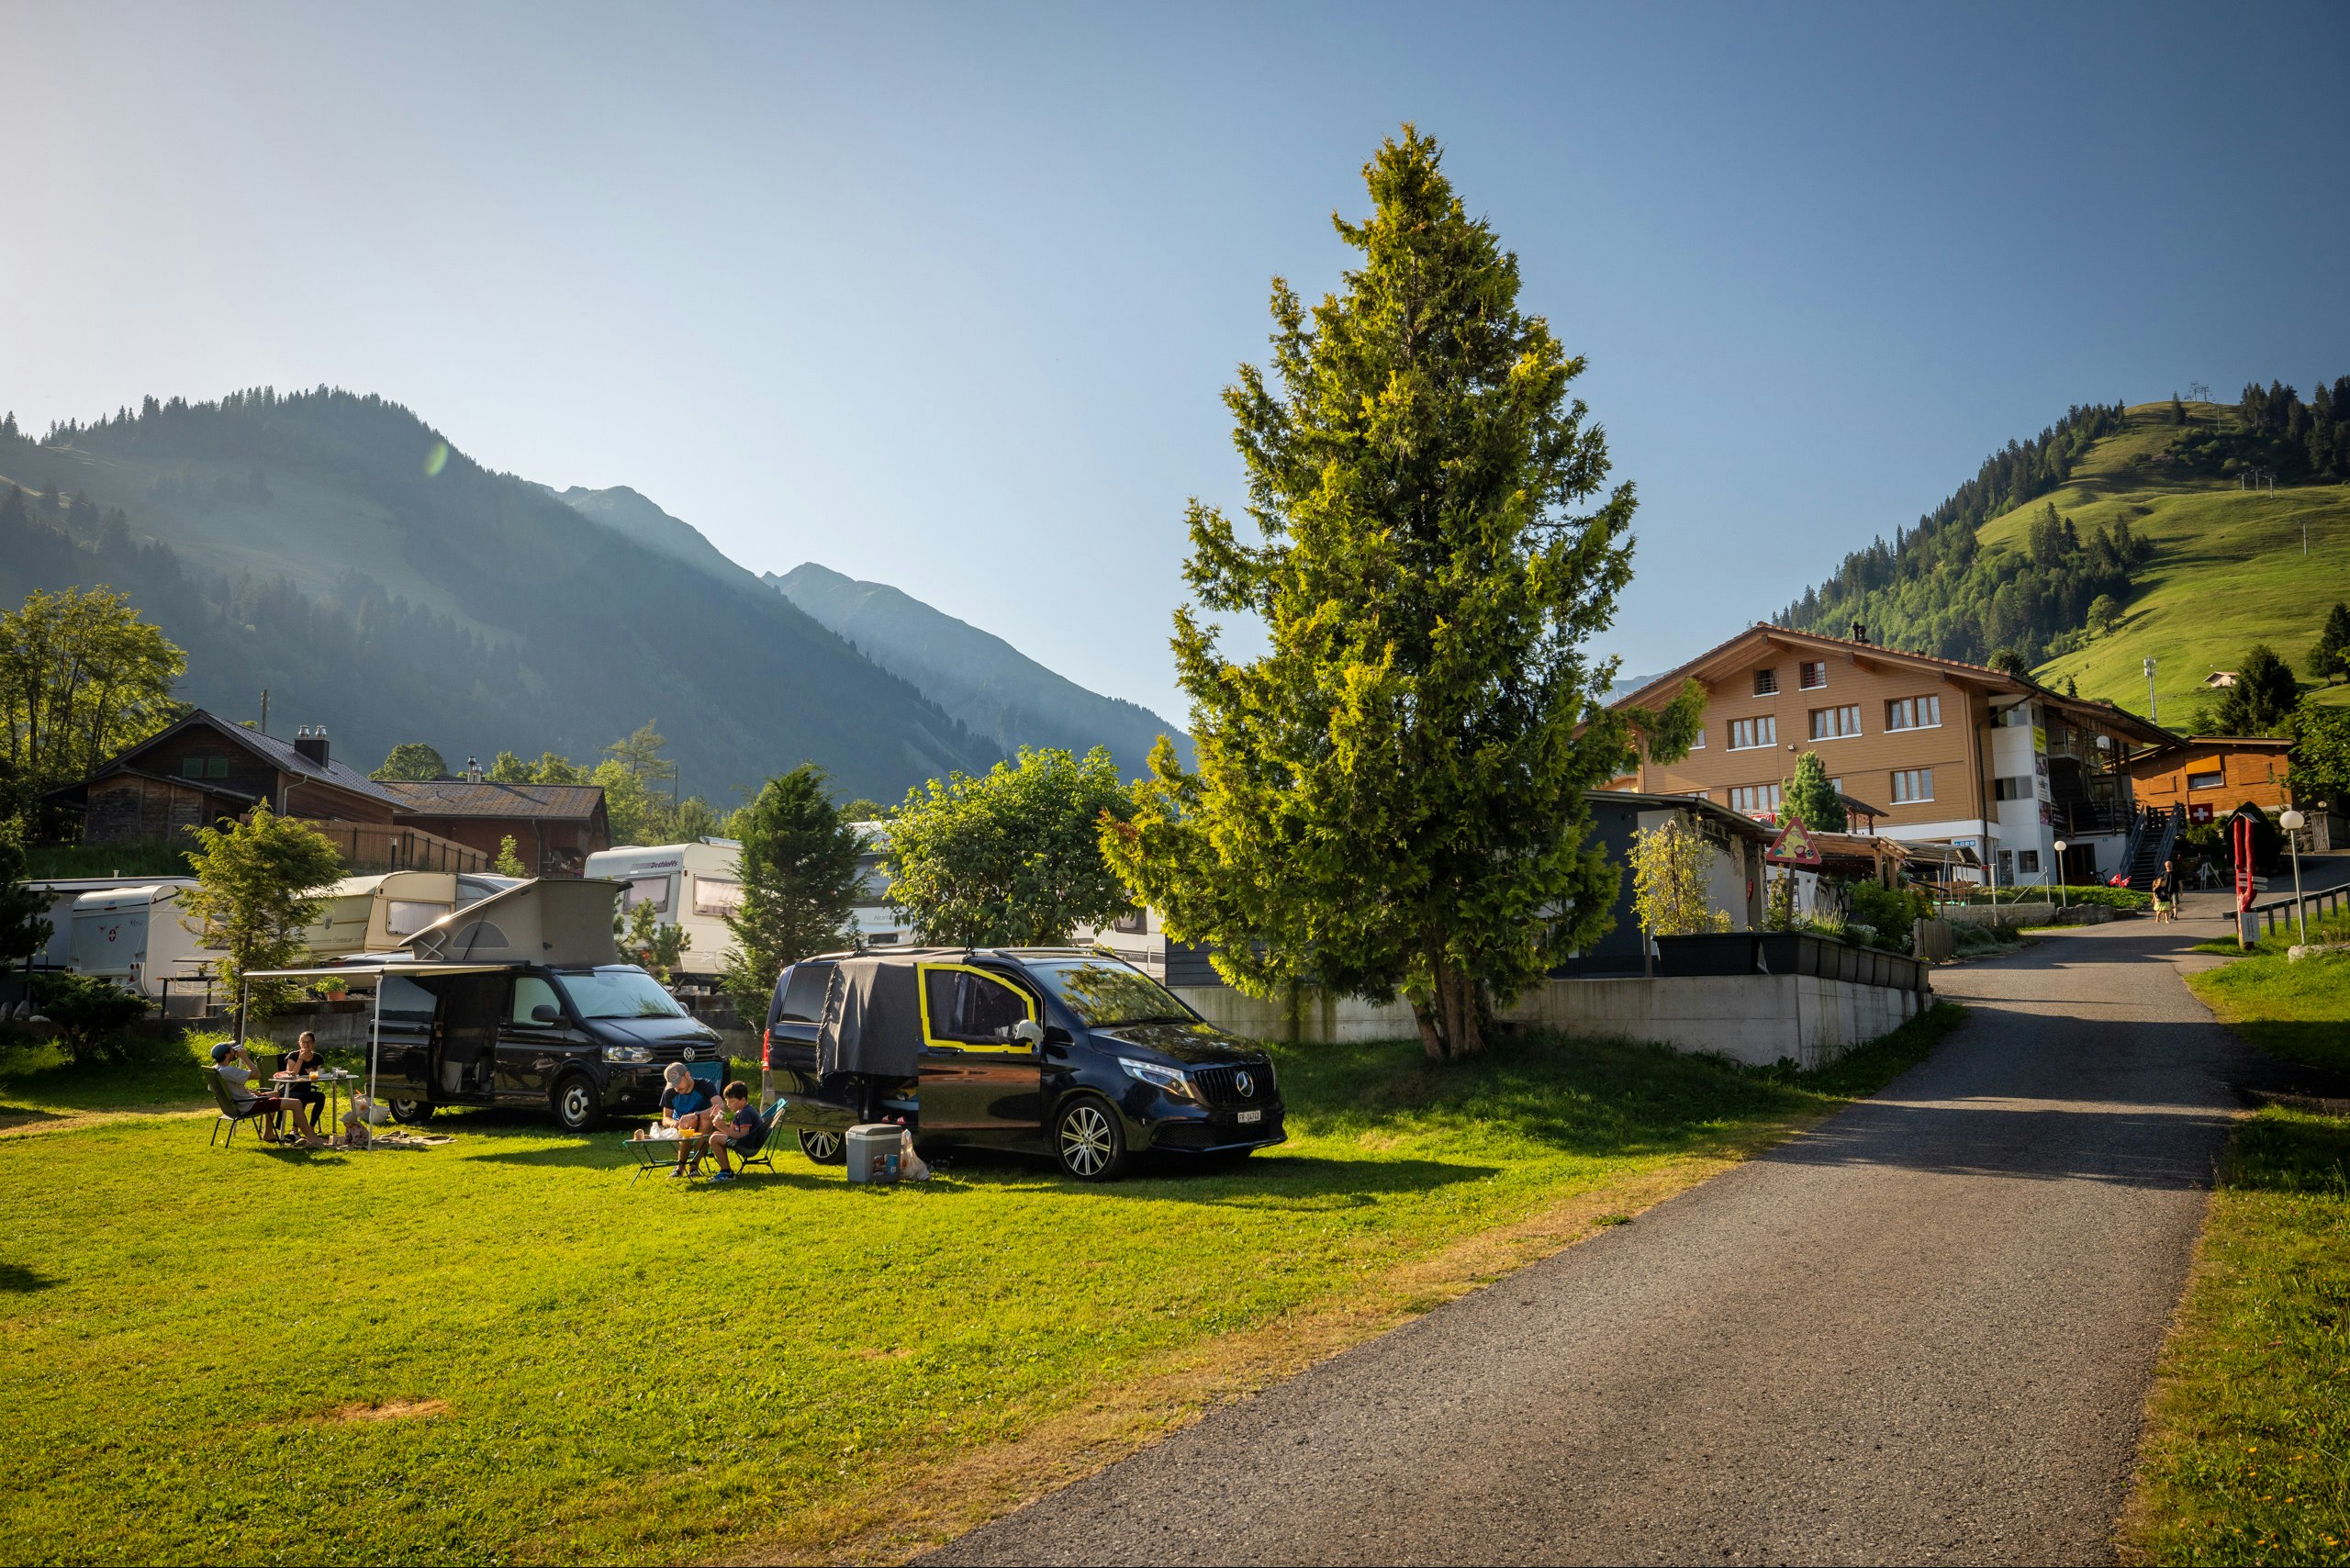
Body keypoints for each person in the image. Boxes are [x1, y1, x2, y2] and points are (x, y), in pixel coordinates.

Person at [210, 1041, 320, 1148]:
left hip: (237, 1104)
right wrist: (245, 1058)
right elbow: (257, 1075)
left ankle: (268, 1133)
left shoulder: (214, 1070)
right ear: (227, 1054)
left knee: (276, 1094)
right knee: (296, 1103)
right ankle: (312, 1139)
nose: (235, 1051)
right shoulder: (229, 1070)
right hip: (248, 1105)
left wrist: (251, 1092)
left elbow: (229, 1088)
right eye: (232, 1049)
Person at [706, 1081, 766, 1182]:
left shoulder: (746, 1113)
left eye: (732, 1101)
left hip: (748, 1146)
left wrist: (723, 1127)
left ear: (743, 1100)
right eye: (727, 1101)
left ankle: (726, 1172)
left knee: (714, 1138)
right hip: (747, 1142)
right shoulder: (741, 1112)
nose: (728, 1104)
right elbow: (731, 1130)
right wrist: (719, 1118)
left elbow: (743, 1136)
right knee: (716, 1134)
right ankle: (726, 1171)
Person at [280, 1031, 329, 1137]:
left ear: (313, 1043)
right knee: (300, 1098)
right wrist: (300, 1059)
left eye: (309, 1042)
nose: (306, 1045)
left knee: (320, 1096)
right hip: (289, 1090)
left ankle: (311, 1128)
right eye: (303, 1042)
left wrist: (313, 1073)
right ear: (299, 1043)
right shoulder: (293, 1056)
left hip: (306, 1089)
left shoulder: (317, 1058)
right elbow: (291, 1075)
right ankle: (295, 1130)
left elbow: (315, 1080)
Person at [2152, 858, 2177, 924]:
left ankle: (2167, 920)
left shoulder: (2165, 888)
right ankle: (2157, 918)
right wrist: (2154, 899)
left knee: (2166, 911)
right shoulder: (2157, 889)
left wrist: (2169, 900)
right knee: (2159, 911)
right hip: (2160, 901)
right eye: (2164, 882)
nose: (2165, 883)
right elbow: (2154, 894)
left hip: (2166, 900)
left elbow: (2167, 894)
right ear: (2160, 882)